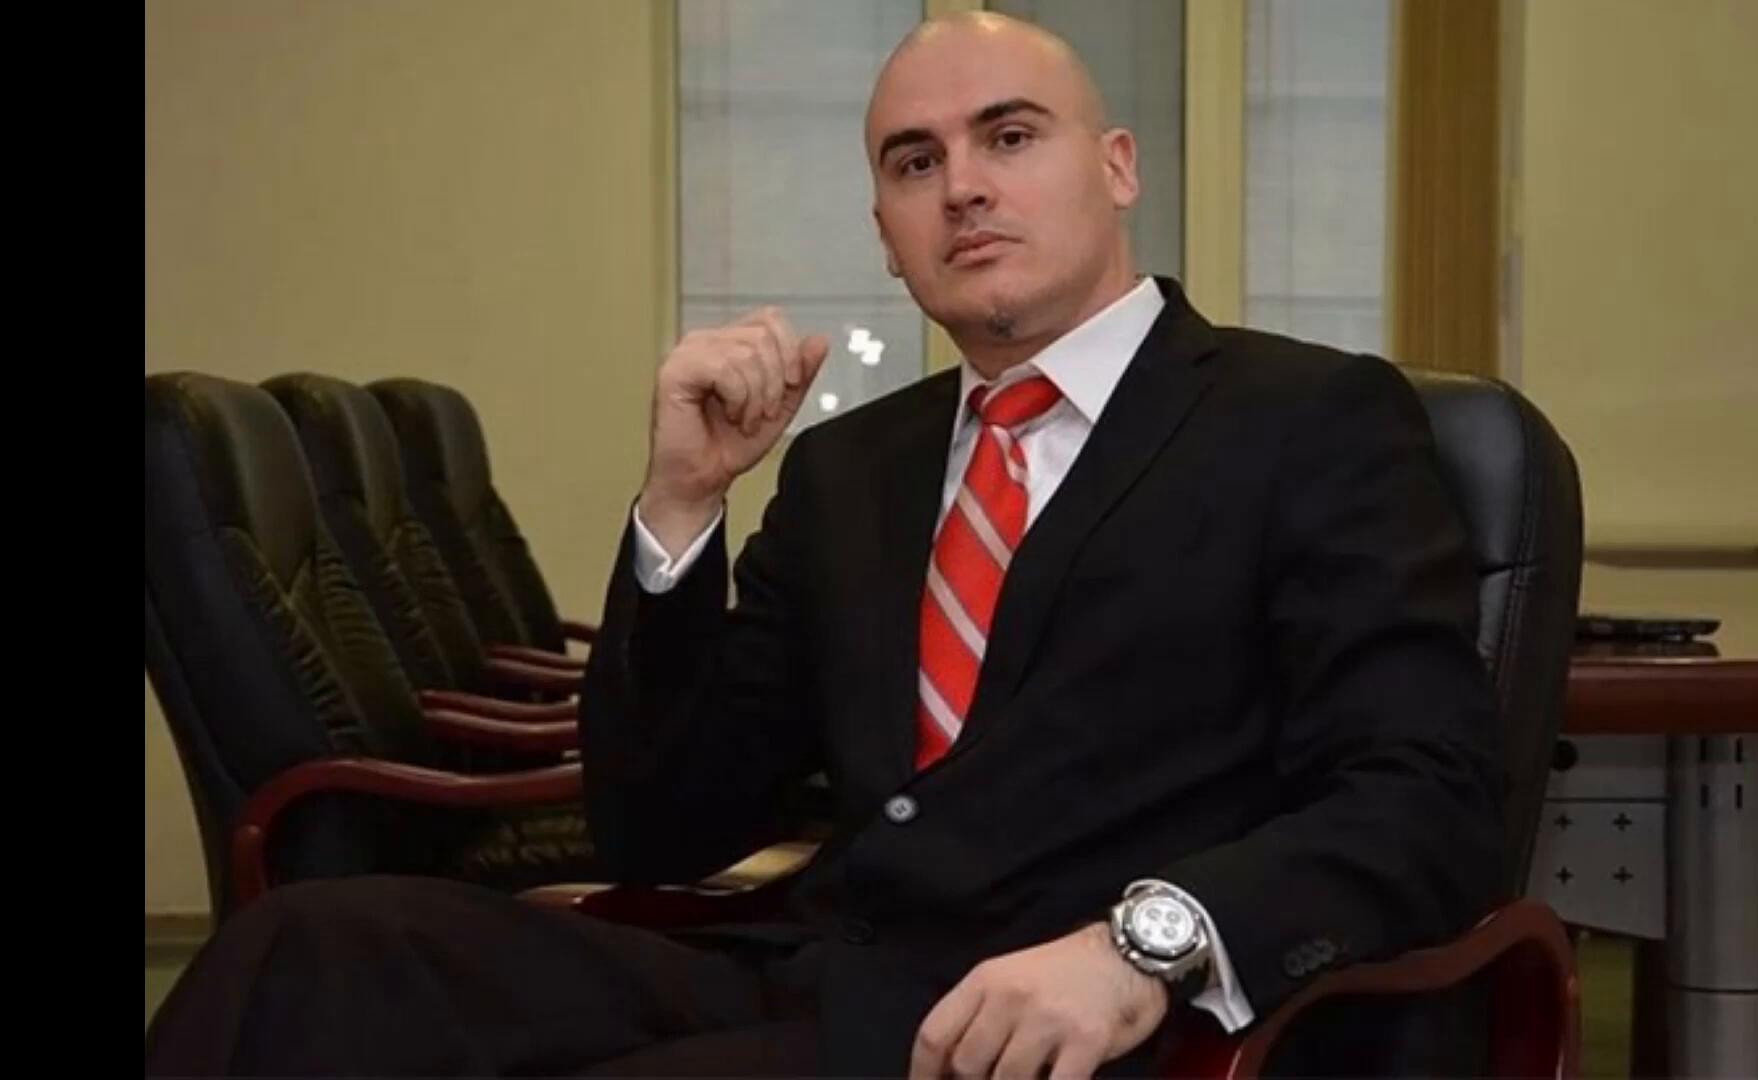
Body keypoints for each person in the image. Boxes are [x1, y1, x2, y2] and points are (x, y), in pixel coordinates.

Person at [146, 12, 1502, 1078]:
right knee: (310, 949)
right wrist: (683, 507)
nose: (963, 188)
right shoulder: (854, 467)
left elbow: (1424, 797)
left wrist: (1143, 948)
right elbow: (665, 824)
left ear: (1117, 167)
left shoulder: (1307, 418)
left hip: (1070, 1030)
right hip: (821, 968)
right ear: (887, 237)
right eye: (915, 162)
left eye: (1009, 136)